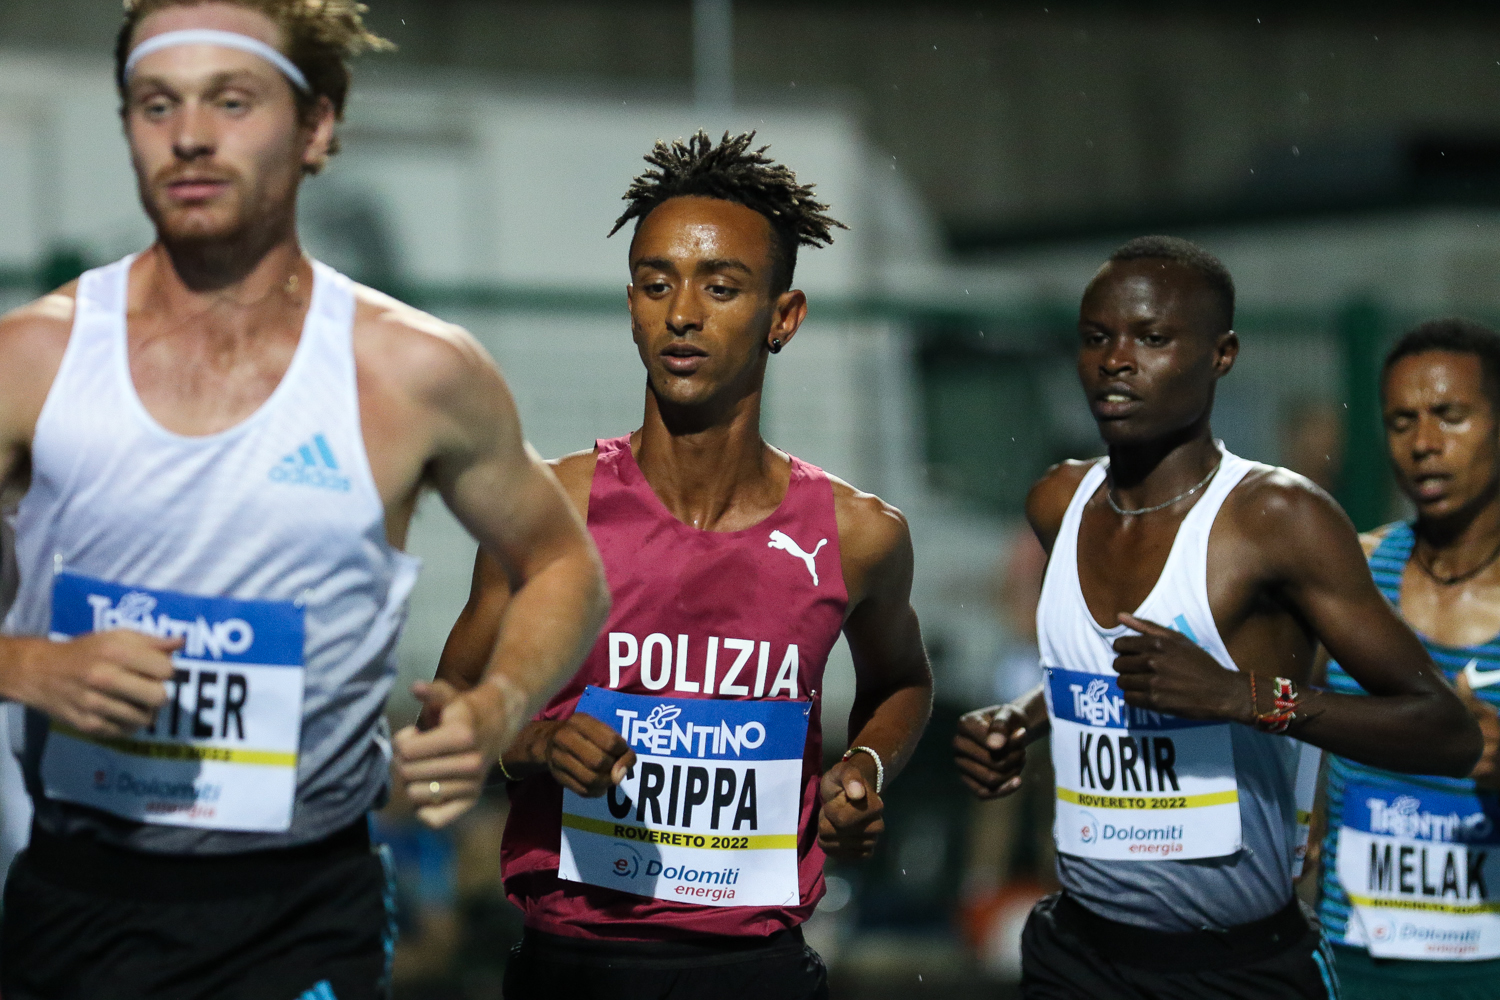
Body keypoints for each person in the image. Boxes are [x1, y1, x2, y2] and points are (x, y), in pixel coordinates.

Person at [0, 3, 609, 998]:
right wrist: (24, 664)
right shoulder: (32, 359)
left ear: (317, 125)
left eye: (231, 101)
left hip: (303, 913)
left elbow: (563, 563)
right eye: (157, 104)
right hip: (80, 902)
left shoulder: (414, 372)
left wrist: (497, 707)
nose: (189, 135)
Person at [410, 131, 935, 1000]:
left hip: (758, 972)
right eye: (656, 284)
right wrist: (535, 743)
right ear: (631, 306)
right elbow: (447, 723)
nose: (681, 313)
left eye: (720, 287)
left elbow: (903, 679)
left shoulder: (859, 535)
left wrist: (865, 769)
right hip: (574, 966)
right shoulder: (548, 512)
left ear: (784, 316)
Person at [952, 235, 1481, 1000]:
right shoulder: (1058, 502)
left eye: (1151, 338)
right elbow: (1104, 670)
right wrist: (1020, 719)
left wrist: (1243, 697)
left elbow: (1445, 730)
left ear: (1221, 354)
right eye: (1097, 338)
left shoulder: (1276, 518)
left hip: (1232, 968)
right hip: (1076, 954)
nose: (1116, 360)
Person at [1318, 319, 1500, 998]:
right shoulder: (1352, 576)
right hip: (1353, 966)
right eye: (1401, 422)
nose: (1423, 443)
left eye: (1450, 416)